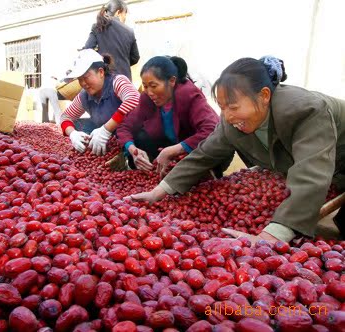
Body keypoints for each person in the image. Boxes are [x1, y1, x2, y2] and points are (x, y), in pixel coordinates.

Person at [129, 56, 345, 244]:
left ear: (265, 95)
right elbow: (204, 155)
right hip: (323, 163)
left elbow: (312, 174)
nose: (228, 116)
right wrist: (160, 191)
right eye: (222, 108)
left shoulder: (306, 110)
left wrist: (273, 235)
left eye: (233, 107)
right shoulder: (231, 121)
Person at [116, 56, 221, 177]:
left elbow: (212, 130)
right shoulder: (147, 99)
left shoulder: (188, 94)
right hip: (172, 150)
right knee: (140, 136)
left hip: (200, 151)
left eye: (154, 86)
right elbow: (125, 127)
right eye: (145, 86)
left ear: (172, 81)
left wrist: (174, 150)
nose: (149, 92)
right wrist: (133, 150)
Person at [60, 49, 140, 155]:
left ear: (101, 72)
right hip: (111, 143)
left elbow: (134, 100)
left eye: (86, 77)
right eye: (80, 79)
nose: (83, 83)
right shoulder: (84, 95)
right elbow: (65, 117)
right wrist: (73, 134)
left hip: (134, 137)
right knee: (81, 126)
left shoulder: (117, 82)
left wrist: (106, 130)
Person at [83, 0, 140, 81]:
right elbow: (135, 57)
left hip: (105, 80)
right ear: (118, 12)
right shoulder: (129, 31)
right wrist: (122, 63)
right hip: (124, 81)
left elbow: (87, 50)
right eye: (125, 14)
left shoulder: (98, 27)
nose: (125, 17)